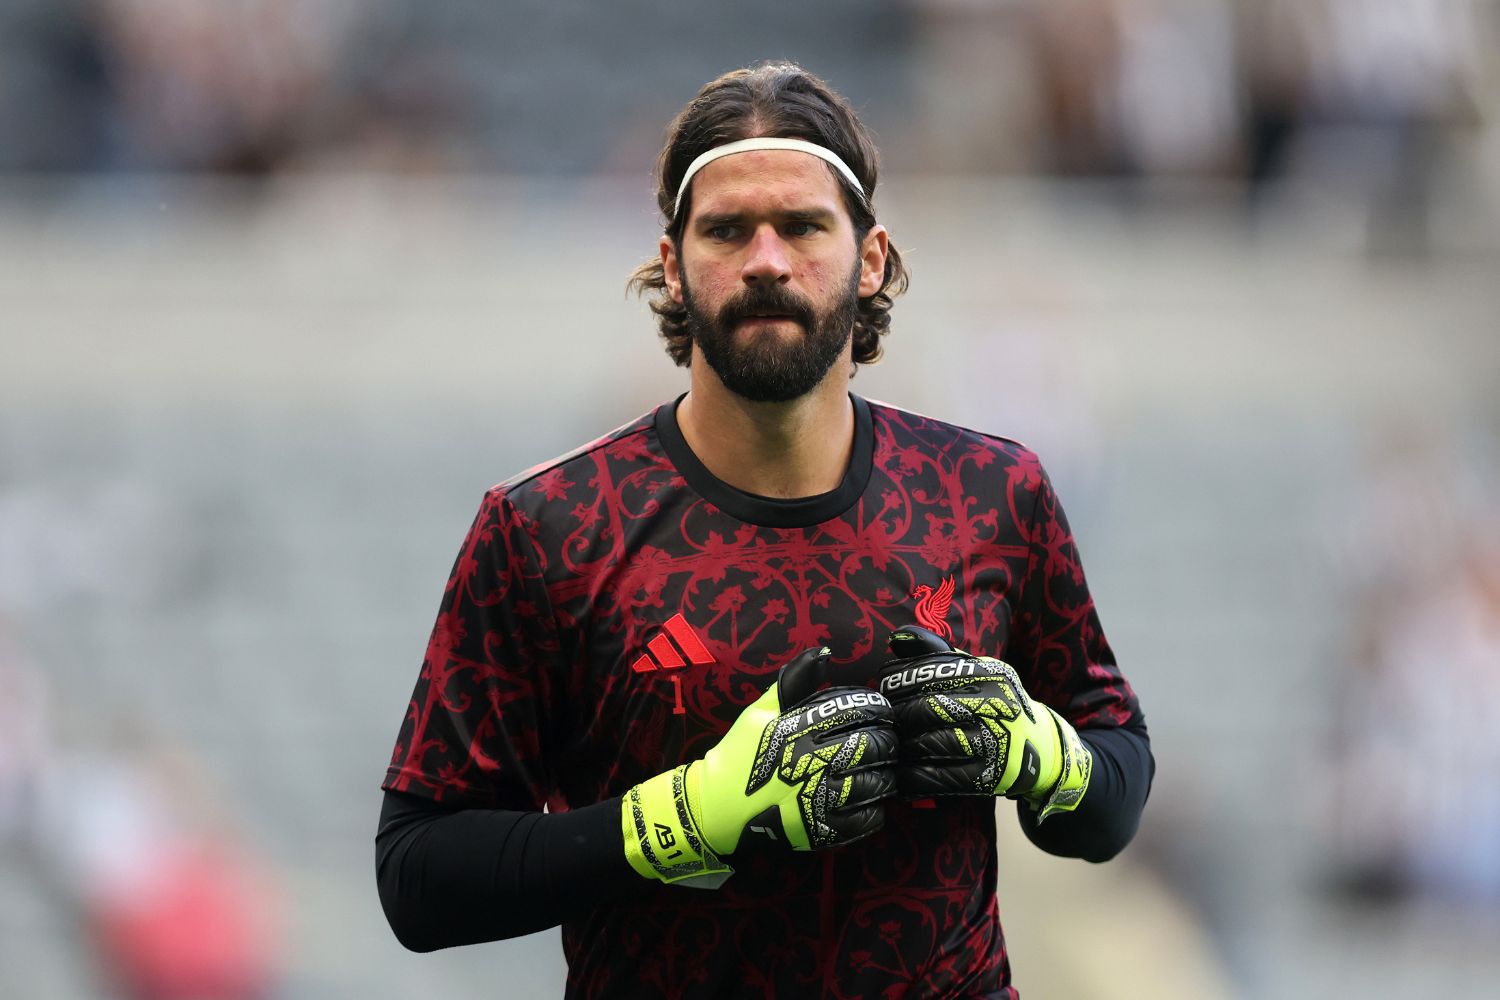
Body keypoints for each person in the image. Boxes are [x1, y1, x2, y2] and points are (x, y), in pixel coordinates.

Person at [376, 61, 1152, 999]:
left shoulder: (994, 492)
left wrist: (1039, 750)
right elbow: (419, 878)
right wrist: (688, 817)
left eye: (803, 225)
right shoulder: (550, 526)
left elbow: (1114, 784)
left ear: (870, 257)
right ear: (673, 261)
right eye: (727, 230)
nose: (767, 260)